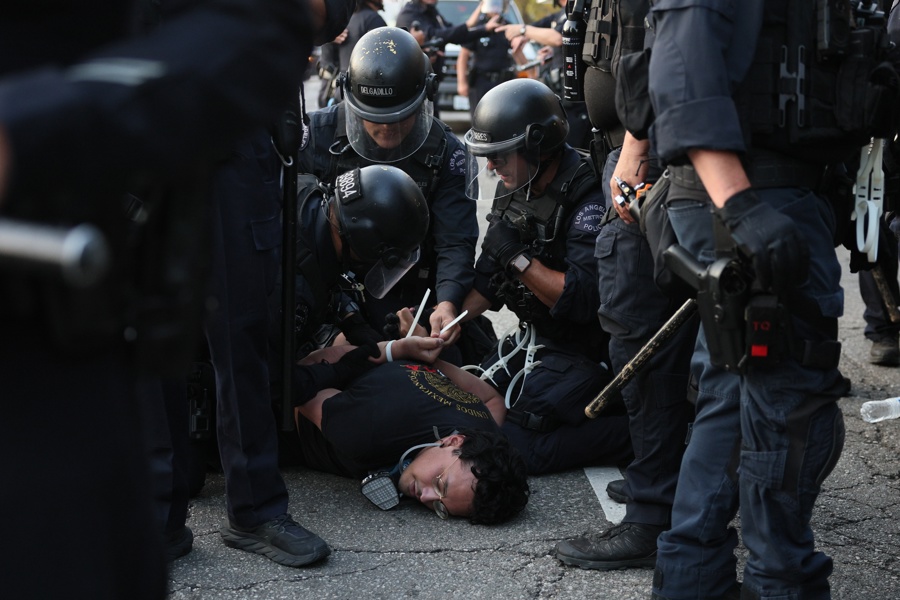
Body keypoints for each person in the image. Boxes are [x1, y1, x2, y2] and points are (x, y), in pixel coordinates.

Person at [0, 0, 351, 597]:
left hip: (190, 137)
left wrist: (48, 122)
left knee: (240, 335)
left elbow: (281, 21)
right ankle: (160, 508)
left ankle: (256, 506)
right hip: (79, 172)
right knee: (140, 344)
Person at [631, 3, 895, 598]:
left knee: (732, 399)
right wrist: (740, 205)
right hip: (748, 195)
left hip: (770, 192)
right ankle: (783, 582)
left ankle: (693, 579)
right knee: (791, 407)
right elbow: (684, 67)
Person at [553, 0, 698, 572]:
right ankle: (659, 481)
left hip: (653, 166)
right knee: (649, 345)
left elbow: (664, 45)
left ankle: (653, 512)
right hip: (637, 161)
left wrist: (636, 148)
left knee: (644, 345)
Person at [458, 78, 632, 475]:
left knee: (519, 444)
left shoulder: (589, 196)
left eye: (499, 155)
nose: (491, 166)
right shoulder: (517, 182)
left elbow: (582, 299)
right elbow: (487, 280)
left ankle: (640, 433)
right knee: (472, 412)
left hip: (588, 352)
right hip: (540, 340)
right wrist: (445, 323)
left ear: (537, 147)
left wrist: (517, 258)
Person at [298, 27, 488, 364]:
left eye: (399, 117)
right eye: (373, 117)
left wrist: (446, 303)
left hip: (410, 297)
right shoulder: (315, 137)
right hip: (327, 294)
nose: (386, 127)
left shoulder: (447, 153)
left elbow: (455, 240)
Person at [282, 337, 530, 524]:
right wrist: (390, 349)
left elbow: (493, 400)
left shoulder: (487, 438)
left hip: (383, 369)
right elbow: (297, 381)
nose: (425, 497)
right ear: (454, 441)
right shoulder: (367, 432)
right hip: (290, 419)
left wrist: (418, 359)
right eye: (440, 484)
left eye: (440, 507)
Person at [495, 0, 592, 150]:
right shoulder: (561, 13)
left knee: (576, 151)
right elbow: (542, 29)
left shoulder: (579, 10)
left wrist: (522, 30)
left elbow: (557, 37)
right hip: (561, 97)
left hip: (577, 102)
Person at [396, 0, 503, 117]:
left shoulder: (432, 12)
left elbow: (456, 35)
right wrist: (468, 24)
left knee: (434, 121)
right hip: (415, 86)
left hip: (430, 83)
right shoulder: (409, 13)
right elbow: (436, 34)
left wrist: (484, 28)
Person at [455, 0, 521, 120]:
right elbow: (463, 56)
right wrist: (461, 82)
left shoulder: (509, 27)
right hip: (481, 81)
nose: (495, 9)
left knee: (503, 118)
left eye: (498, 4)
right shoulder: (478, 28)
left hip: (503, 82)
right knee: (480, 118)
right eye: (492, 4)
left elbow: (517, 53)